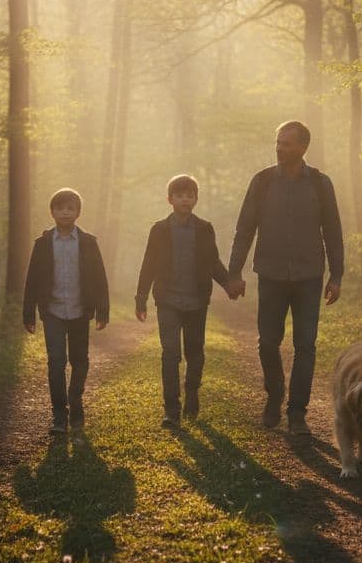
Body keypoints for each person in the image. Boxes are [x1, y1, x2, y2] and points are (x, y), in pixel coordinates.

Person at [227, 120, 344, 435]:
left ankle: (296, 413)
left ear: (303, 147)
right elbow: (244, 229)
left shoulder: (320, 184)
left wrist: (337, 274)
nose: (280, 148)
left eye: (287, 144)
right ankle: (275, 394)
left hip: (309, 276)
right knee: (267, 342)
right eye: (278, 142)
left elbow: (332, 230)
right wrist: (233, 272)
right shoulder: (262, 181)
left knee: (306, 344)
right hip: (271, 274)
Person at [135, 174, 232, 427]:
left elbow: (213, 262)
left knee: (195, 353)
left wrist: (229, 283)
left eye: (190, 195)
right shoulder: (159, 229)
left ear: (196, 199)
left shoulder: (204, 228)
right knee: (170, 353)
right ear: (170, 199)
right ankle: (171, 409)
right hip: (167, 300)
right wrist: (141, 297)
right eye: (180, 195)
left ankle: (191, 392)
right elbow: (149, 264)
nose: (185, 199)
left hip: (197, 300)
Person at [23, 188, 110, 436]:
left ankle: (76, 400)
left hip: (81, 311)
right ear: (52, 212)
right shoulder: (42, 244)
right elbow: (32, 280)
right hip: (52, 311)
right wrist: (28, 314)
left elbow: (99, 278)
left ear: (78, 212)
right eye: (60, 208)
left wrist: (103, 310)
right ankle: (59, 415)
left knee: (80, 361)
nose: (65, 212)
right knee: (56, 363)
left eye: (70, 208)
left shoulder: (88, 243)